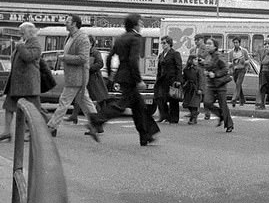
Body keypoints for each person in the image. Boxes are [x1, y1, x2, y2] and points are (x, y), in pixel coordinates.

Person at [90, 14, 159, 146]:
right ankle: (96, 119)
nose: (142, 26)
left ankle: (146, 135)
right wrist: (138, 80)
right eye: (140, 23)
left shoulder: (121, 38)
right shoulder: (135, 38)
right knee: (121, 105)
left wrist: (111, 75)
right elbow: (133, 60)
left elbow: (110, 57)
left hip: (121, 76)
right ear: (135, 25)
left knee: (139, 107)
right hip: (130, 78)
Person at [0, 22, 43, 141]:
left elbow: (29, 57)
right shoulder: (24, 42)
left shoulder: (35, 43)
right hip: (17, 83)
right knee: (9, 107)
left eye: (22, 31)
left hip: (28, 84)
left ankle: (33, 132)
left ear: (30, 32)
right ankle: (7, 131)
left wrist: (20, 47)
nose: (20, 34)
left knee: (31, 110)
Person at [46, 15, 91, 137]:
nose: (65, 24)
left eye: (67, 22)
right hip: (73, 76)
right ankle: (96, 123)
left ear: (75, 24)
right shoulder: (70, 37)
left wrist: (64, 58)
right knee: (85, 102)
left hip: (77, 77)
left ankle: (52, 126)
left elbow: (83, 58)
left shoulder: (82, 39)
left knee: (64, 101)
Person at [66, 39, 109, 128]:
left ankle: (98, 122)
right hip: (84, 78)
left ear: (91, 43)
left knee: (94, 100)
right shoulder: (83, 52)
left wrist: (88, 68)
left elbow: (100, 64)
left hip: (93, 79)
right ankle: (75, 115)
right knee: (81, 97)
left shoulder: (95, 53)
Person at [202, 38, 234, 132]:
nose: (207, 45)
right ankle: (220, 114)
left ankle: (229, 125)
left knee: (223, 104)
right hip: (211, 84)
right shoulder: (208, 56)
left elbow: (225, 70)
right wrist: (206, 71)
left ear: (215, 46)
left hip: (220, 84)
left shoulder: (219, 57)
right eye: (206, 43)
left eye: (209, 44)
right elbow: (207, 66)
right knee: (207, 102)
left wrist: (215, 74)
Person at [156, 35, 183, 123]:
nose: (163, 45)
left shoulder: (175, 53)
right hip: (162, 80)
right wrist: (158, 78)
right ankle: (164, 115)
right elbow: (159, 68)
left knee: (173, 99)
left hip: (172, 79)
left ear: (169, 44)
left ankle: (174, 118)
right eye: (162, 43)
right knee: (160, 97)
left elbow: (179, 67)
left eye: (164, 43)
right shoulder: (161, 55)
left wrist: (178, 80)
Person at [228, 38, 250, 106]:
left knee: (238, 83)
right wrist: (232, 63)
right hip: (235, 70)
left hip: (242, 69)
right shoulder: (231, 52)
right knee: (238, 85)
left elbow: (248, 60)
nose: (235, 44)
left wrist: (243, 62)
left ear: (239, 43)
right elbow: (229, 62)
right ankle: (242, 100)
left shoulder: (244, 51)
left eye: (236, 42)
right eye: (234, 42)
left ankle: (234, 99)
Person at [182, 53, 202, 124]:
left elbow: (200, 80)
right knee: (188, 104)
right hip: (188, 88)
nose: (196, 61)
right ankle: (194, 115)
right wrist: (183, 84)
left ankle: (193, 118)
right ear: (191, 60)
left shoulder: (198, 70)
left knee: (194, 104)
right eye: (195, 59)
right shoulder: (186, 69)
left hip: (195, 88)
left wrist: (200, 89)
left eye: (197, 59)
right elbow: (184, 78)